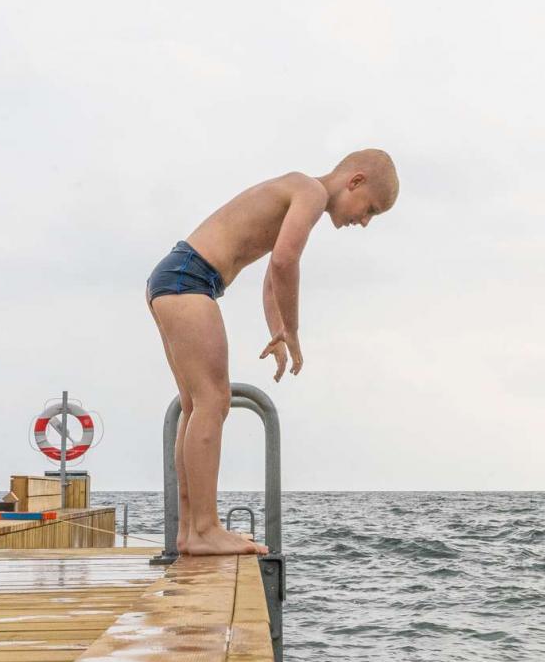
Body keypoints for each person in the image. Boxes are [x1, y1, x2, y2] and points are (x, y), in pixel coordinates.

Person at [145, 149, 398, 555]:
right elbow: (285, 262)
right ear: (355, 180)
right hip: (189, 278)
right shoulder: (311, 191)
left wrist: (277, 331)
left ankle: (191, 532)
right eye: (370, 209)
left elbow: (269, 278)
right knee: (213, 401)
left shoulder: (300, 194)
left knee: (196, 405)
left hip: (179, 276)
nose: (364, 221)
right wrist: (295, 331)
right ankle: (205, 528)